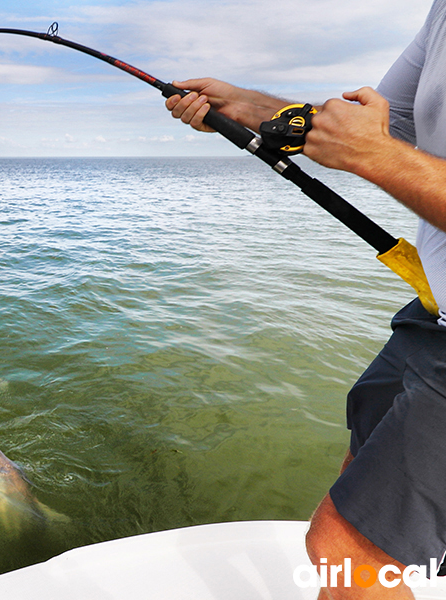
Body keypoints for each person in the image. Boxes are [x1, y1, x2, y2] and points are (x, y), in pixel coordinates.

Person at [166, 1, 446, 598]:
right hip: (433, 316)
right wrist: (247, 107)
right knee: (360, 467)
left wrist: (373, 157)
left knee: (346, 552)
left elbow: (375, 147)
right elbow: (382, 126)